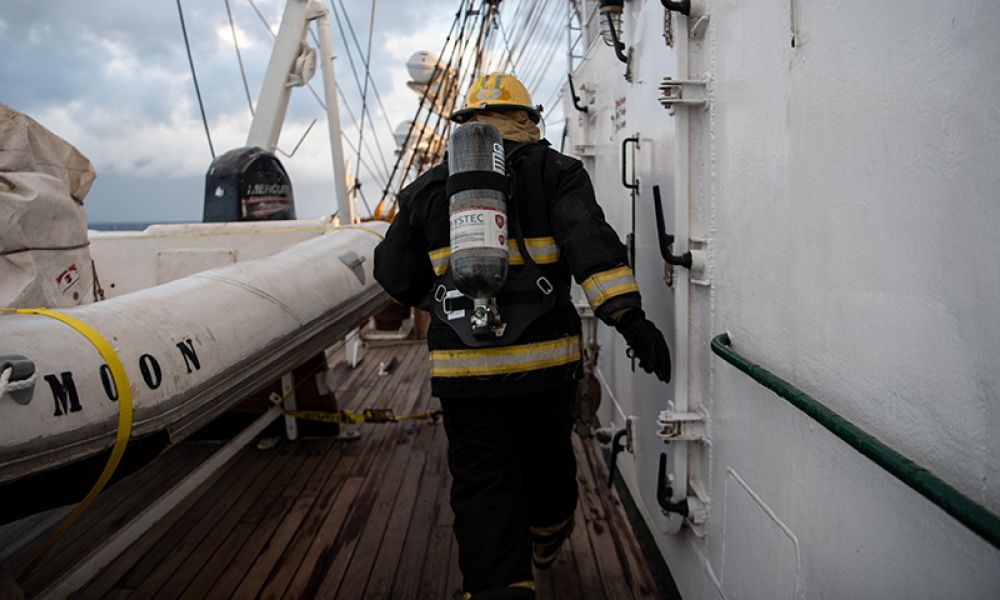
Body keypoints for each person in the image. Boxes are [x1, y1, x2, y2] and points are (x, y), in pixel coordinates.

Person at [373, 72, 670, 600]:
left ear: (464, 125)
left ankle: (501, 586)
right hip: (544, 371)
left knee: (484, 491)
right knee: (551, 473)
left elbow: (394, 275)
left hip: (465, 378)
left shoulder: (427, 188)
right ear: (528, 120)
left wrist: (444, 304)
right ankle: (547, 542)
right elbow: (592, 251)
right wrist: (631, 321)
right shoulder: (558, 172)